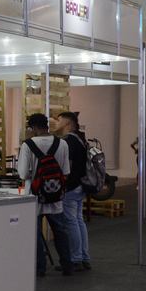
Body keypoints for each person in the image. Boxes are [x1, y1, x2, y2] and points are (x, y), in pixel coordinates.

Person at [17, 113, 74, 277]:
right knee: (60, 231)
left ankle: (39, 268)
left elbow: (23, 173)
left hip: (34, 196)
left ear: (33, 127)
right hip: (55, 196)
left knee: (34, 234)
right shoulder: (62, 144)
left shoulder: (28, 145)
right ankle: (67, 264)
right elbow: (66, 171)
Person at [56, 111, 92, 271]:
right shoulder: (80, 139)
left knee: (71, 222)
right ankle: (84, 256)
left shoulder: (69, 142)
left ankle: (76, 258)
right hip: (80, 185)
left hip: (71, 186)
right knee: (78, 220)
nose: (57, 124)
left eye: (59, 121)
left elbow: (67, 166)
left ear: (67, 123)